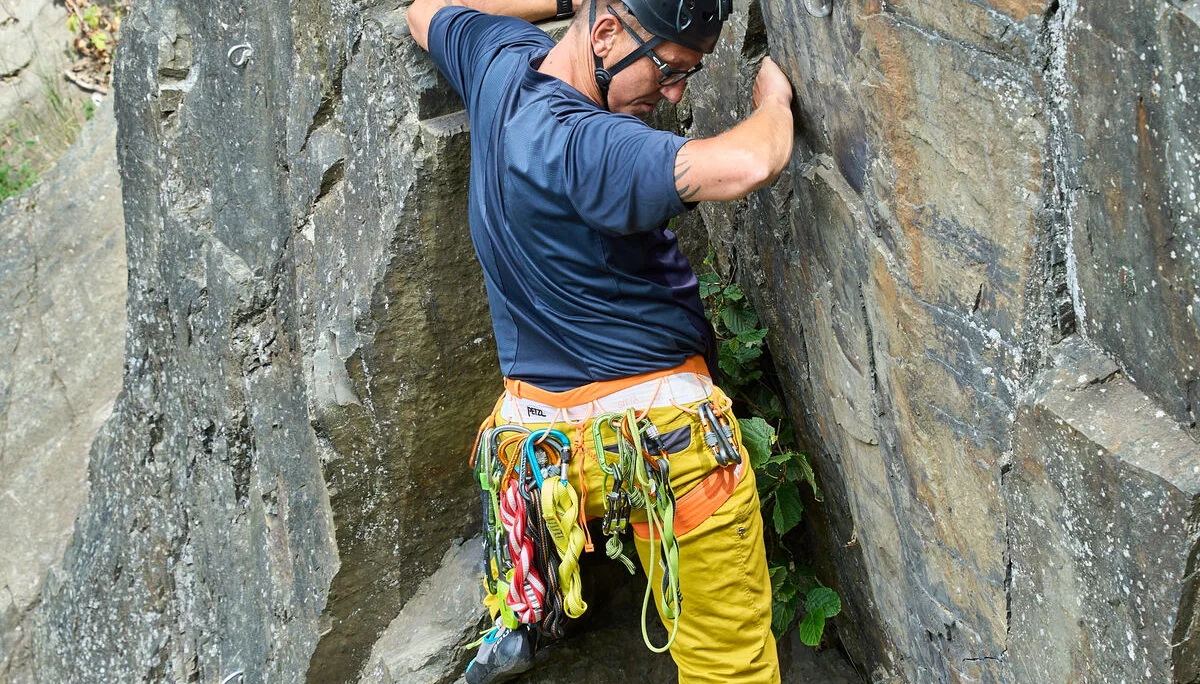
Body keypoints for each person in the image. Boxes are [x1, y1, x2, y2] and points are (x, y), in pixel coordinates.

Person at [406, 0, 794, 680]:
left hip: (537, 457)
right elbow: (747, 164)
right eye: (669, 69)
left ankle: (521, 608)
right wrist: (776, 100)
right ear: (608, 33)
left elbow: (425, 9)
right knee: (730, 667)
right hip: (666, 446)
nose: (674, 93)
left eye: (688, 75)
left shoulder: (497, 66)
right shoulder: (595, 148)